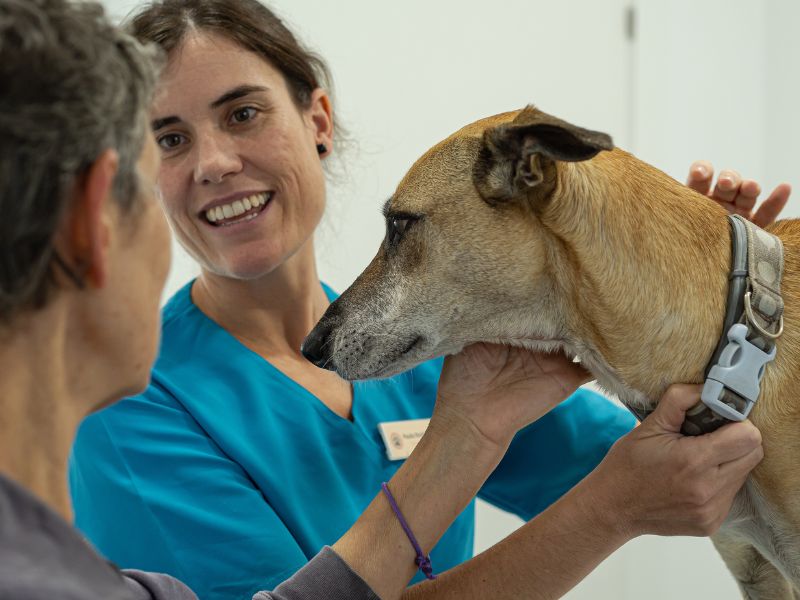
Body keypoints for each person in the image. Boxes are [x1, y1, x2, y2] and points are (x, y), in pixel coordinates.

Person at [4, 2, 754, 599]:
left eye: (242, 114)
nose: (215, 164)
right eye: (168, 139)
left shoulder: (427, 341)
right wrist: (605, 510)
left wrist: (686, 300)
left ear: (318, 122)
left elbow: (672, 468)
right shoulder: (132, 400)